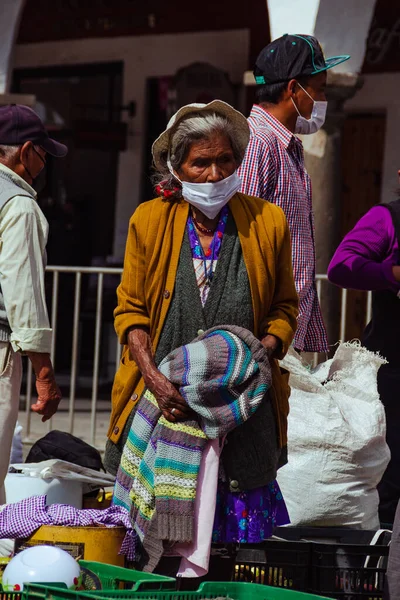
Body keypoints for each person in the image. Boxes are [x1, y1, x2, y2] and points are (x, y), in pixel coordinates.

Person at [105, 100, 298, 579]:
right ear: (177, 167)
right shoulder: (149, 220)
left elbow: (284, 308)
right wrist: (155, 379)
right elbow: (130, 310)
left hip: (240, 407)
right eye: (200, 162)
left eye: (225, 161)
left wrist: (258, 357)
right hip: (162, 398)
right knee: (156, 549)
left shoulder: (267, 222)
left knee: (230, 553)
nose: (214, 174)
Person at [238, 34, 350, 353]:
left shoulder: (287, 147)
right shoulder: (257, 142)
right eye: (321, 89)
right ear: (293, 89)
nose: (323, 99)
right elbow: (239, 240)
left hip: (284, 331)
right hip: (261, 332)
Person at [0, 104, 66, 504]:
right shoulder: (19, 205)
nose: (44, 166)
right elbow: (22, 291)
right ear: (26, 152)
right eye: (43, 155)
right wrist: (44, 372)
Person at [328, 181, 400, 525]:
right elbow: (342, 265)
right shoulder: (388, 218)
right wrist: (391, 273)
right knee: (390, 472)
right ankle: (376, 568)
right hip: (393, 368)